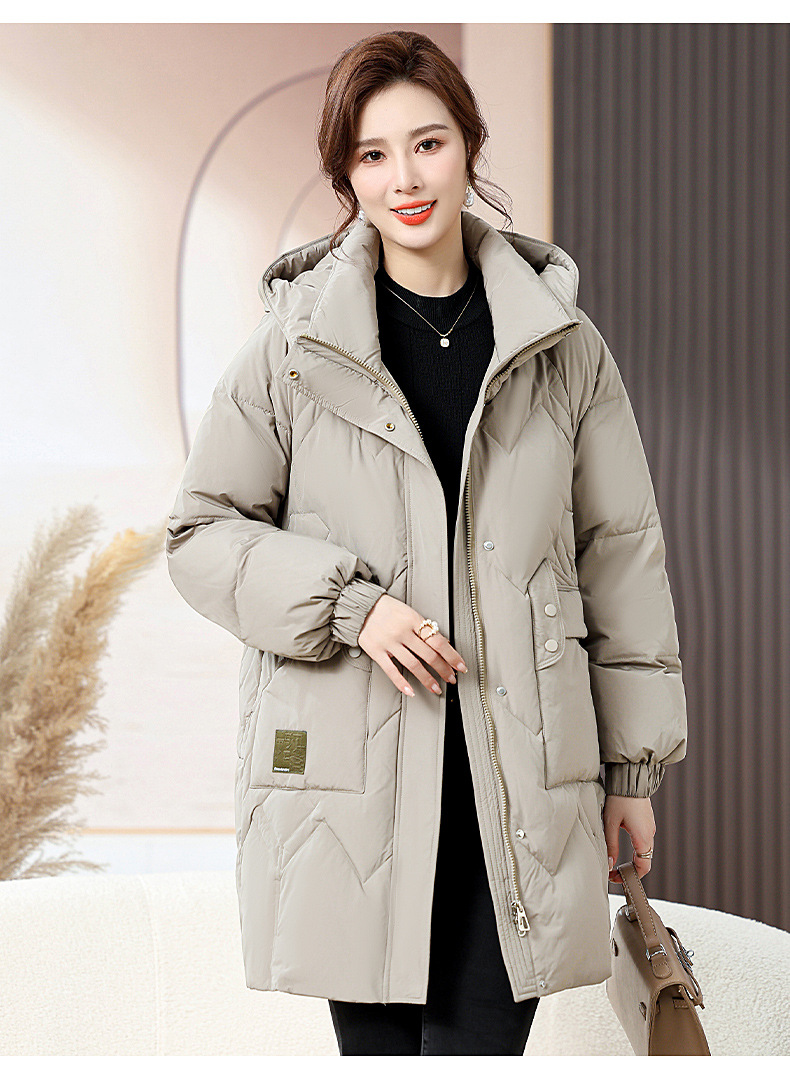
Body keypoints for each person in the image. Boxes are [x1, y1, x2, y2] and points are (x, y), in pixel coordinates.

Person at [165, 29, 687, 1057]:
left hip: (519, 791)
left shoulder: (561, 348)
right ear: (346, 175)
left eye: (427, 143)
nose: (402, 178)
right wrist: (351, 608)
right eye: (372, 154)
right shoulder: (294, 346)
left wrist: (631, 772)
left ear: (469, 146)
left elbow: (619, 560)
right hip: (352, 795)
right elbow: (199, 532)